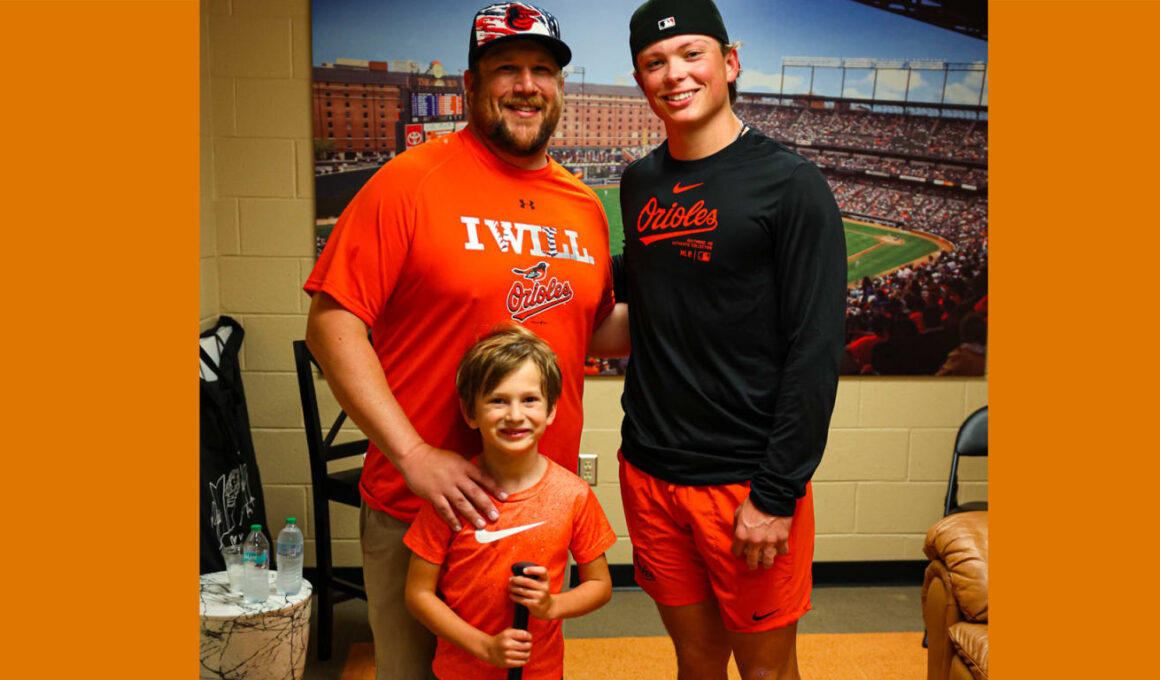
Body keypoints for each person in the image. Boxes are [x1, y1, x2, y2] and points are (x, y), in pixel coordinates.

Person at [303, 4, 617, 677]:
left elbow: (595, 327)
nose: (527, 84)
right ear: (471, 88)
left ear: (560, 88)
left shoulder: (583, 205)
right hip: (424, 505)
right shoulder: (410, 180)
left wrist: (710, 309)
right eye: (507, 69)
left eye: (542, 70)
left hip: (539, 509)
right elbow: (332, 325)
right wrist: (414, 453)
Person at [607, 1, 848, 678]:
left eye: (691, 54)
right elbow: (658, 298)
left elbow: (816, 349)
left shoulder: (791, 184)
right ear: (641, 78)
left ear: (729, 63)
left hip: (745, 483)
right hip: (650, 470)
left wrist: (776, 495)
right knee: (696, 661)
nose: (674, 74)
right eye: (655, 62)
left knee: (767, 672)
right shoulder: (640, 181)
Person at [404, 324, 615, 680]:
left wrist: (551, 606)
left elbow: (600, 586)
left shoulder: (574, 495)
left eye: (530, 400)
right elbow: (418, 594)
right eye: (498, 400)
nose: (515, 415)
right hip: (461, 671)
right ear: (470, 413)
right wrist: (484, 646)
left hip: (541, 672)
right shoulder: (453, 495)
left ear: (550, 411)